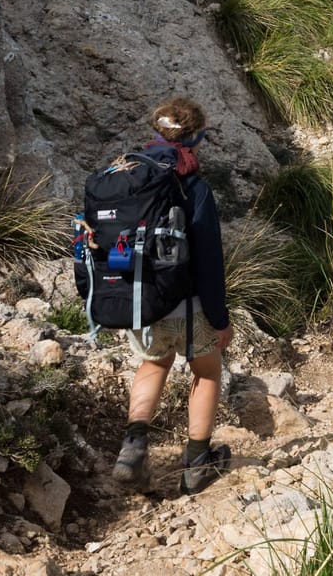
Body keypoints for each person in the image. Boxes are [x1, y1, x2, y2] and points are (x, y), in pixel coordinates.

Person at [109, 98, 234, 494]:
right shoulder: (193, 186)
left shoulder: (128, 174)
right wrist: (219, 318)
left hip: (140, 301)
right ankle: (197, 464)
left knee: (153, 364)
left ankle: (132, 448)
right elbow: (209, 258)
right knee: (207, 371)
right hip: (188, 303)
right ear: (197, 137)